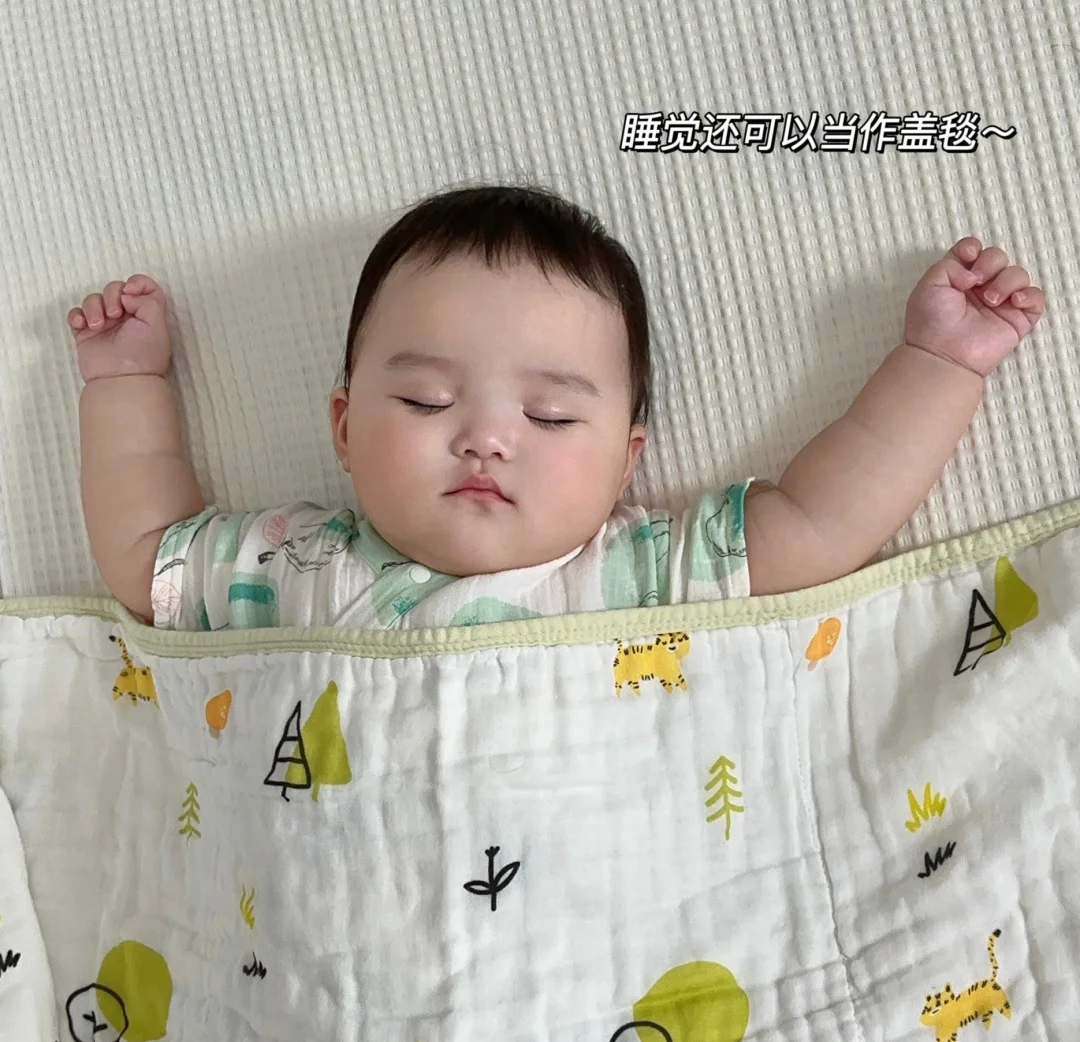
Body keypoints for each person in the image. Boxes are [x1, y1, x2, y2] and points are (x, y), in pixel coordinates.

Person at [70, 184, 1044, 630]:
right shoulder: (292, 566)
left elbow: (824, 524)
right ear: (345, 430)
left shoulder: (639, 572)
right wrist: (125, 386)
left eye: (550, 417)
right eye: (426, 398)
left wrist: (938, 364)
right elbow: (145, 558)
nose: (487, 437)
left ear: (627, 462)